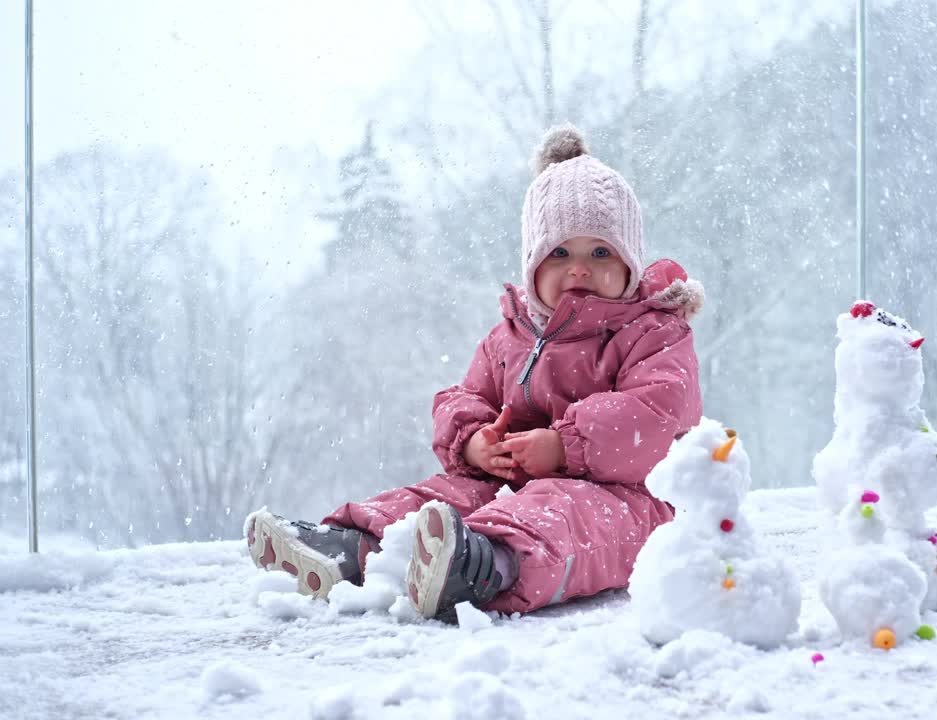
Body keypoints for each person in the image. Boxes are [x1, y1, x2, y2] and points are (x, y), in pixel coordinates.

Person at [246, 123, 704, 621]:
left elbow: (658, 414)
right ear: (533, 264)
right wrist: (473, 442)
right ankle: (357, 548)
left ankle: (485, 565)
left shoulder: (652, 331)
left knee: (565, 510)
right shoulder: (510, 337)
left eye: (600, 252)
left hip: (630, 501)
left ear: (630, 262)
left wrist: (565, 446)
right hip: (512, 487)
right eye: (560, 253)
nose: (579, 269)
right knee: (447, 497)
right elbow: (465, 397)